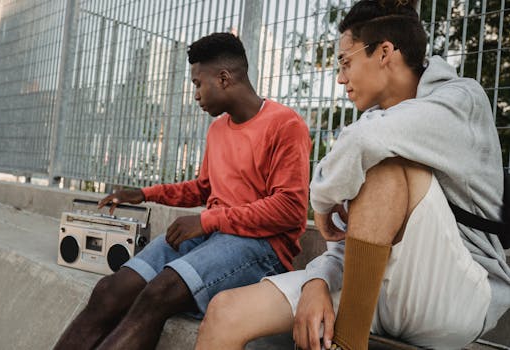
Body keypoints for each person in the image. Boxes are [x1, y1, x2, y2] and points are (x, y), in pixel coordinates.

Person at [195, 1, 510, 349]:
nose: (341, 77)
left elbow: (367, 143)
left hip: (457, 296)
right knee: (226, 312)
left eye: (345, 61)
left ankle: (348, 343)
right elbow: (352, 239)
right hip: (377, 285)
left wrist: (321, 202)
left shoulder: (461, 99)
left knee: (389, 166)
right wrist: (316, 280)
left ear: (385, 52)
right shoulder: (375, 124)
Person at [53, 32, 311, 350]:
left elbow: (289, 209)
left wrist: (207, 221)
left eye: (197, 84)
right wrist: (144, 193)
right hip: (213, 237)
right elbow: (204, 188)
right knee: (110, 290)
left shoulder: (285, 125)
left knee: (158, 293)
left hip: (262, 249)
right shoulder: (218, 129)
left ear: (224, 78)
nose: (196, 95)